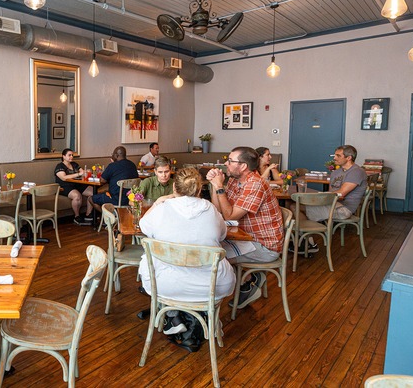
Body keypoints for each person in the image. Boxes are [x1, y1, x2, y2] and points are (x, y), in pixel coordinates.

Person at [138, 167, 236, 351]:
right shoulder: (210, 209)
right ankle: (203, 320)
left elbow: (143, 226)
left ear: (174, 188)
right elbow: (222, 235)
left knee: (150, 258)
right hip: (210, 286)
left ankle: (174, 316)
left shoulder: (163, 208)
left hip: (165, 284)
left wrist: (158, 202)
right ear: (199, 190)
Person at [206, 146, 283, 310]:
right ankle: (249, 280)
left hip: (264, 245)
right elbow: (218, 211)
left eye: (230, 161)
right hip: (243, 238)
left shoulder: (255, 184)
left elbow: (230, 216)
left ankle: (245, 285)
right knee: (209, 250)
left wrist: (220, 187)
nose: (226, 163)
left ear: (243, 166)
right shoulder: (235, 180)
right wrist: (214, 185)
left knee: (214, 258)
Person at [305, 145, 368, 222]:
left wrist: (318, 197)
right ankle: (308, 231)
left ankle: (313, 230)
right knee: (293, 204)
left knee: (298, 207)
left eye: (338, 156)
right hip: (331, 204)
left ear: (349, 158)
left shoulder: (357, 172)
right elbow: (331, 192)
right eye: (334, 155)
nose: (334, 158)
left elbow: (341, 194)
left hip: (344, 209)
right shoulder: (335, 172)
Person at [87, 146, 139, 218]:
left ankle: (110, 218)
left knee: (91, 199)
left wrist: (112, 165)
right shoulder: (132, 165)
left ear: (116, 155)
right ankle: (113, 217)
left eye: (113, 154)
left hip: (115, 199)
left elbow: (102, 180)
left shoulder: (112, 166)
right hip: (130, 199)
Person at [54, 148, 95, 225]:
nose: (71, 157)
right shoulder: (60, 166)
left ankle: (88, 214)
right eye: (69, 155)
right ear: (63, 156)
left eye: (72, 155)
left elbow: (83, 172)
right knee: (77, 196)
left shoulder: (75, 164)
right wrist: (78, 174)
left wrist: (86, 172)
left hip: (77, 184)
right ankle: (77, 217)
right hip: (64, 186)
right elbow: (64, 177)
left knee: (93, 192)